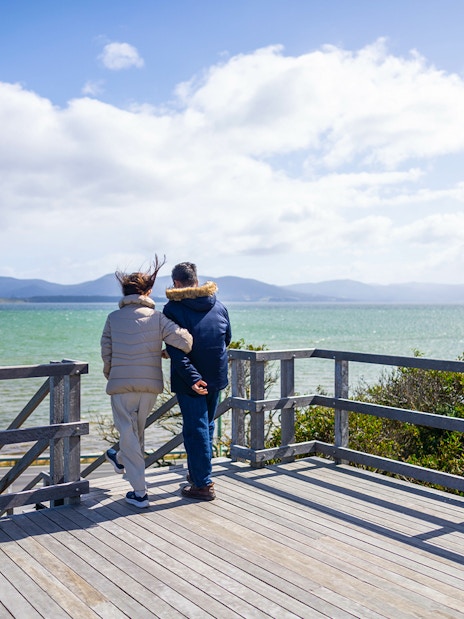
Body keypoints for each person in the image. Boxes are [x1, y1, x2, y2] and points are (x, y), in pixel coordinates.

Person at [101, 256, 193, 508]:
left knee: (129, 433)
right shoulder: (158, 318)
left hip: (121, 385)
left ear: (125, 293)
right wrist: (162, 352)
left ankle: (140, 493)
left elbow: (106, 354)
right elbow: (185, 342)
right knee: (135, 433)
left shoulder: (112, 318)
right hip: (150, 386)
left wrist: (112, 373)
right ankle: (119, 457)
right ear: (148, 291)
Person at [163, 262, 232, 501]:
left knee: (196, 430)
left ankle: (203, 484)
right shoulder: (219, 306)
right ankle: (199, 474)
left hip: (190, 380)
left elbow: (176, 350)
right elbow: (227, 339)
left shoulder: (173, 308)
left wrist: (193, 378)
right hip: (216, 376)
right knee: (207, 426)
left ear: (177, 283)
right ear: (196, 280)